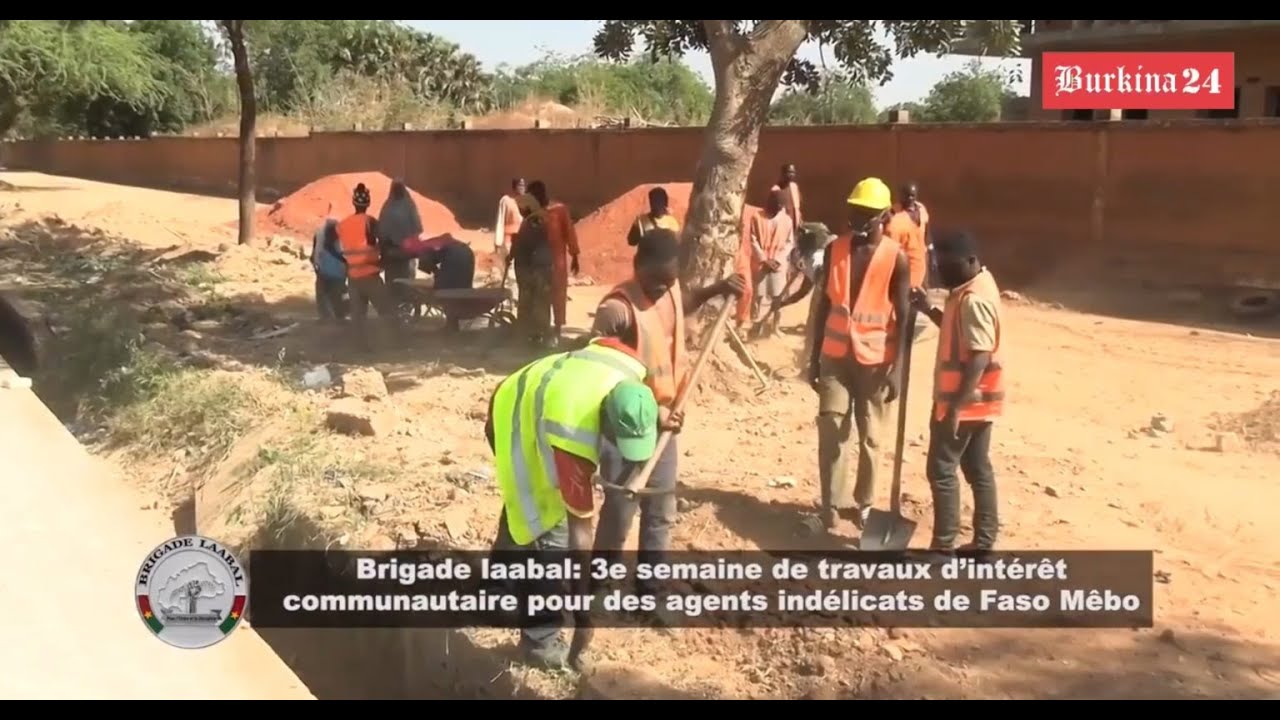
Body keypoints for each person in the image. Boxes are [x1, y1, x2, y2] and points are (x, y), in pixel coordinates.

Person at [485, 337, 660, 670]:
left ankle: (498, 588)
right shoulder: (573, 439)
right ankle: (540, 641)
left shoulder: (632, 370)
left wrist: (659, 417)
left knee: (523, 509)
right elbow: (580, 538)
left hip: (537, 392)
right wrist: (583, 614)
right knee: (550, 534)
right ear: (604, 419)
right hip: (514, 414)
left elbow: (600, 345)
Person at [589, 228, 745, 595]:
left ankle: (650, 588)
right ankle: (598, 584)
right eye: (655, 281)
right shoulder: (616, 310)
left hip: (666, 422)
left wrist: (717, 289)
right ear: (637, 265)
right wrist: (652, 411)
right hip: (625, 427)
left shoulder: (671, 289)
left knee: (660, 508)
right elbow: (597, 374)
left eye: (669, 281)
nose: (662, 289)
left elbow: (679, 306)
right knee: (621, 508)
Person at [807, 177, 910, 533]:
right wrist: (812, 358)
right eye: (854, 210)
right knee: (832, 428)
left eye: (866, 212)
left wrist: (900, 368)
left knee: (871, 437)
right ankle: (831, 504)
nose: (858, 217)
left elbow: (906, 313)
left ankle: (865, 503)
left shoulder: (896, 258)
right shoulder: (836, 248)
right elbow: (824, 305)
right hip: (835, 356)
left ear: (884, 216)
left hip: (877, 361)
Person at [910, 230, 1004, 556]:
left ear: (971, 261)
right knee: (978, 468)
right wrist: (928, 309)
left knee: (941, 469)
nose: (943, 271)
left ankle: (943, 546)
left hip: (963, 401)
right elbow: (960, 333)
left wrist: (955, 408)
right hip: (980, 401)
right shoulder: (970, 289)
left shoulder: (973, 299)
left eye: (950, 265)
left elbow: (980, 354)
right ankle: (984, 542)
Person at [327, 183, 400, 347]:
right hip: (370, 275)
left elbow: (330, 246)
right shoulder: (371, 222)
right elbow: (386, 243)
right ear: (368, 204)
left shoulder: (342, 225)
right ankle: (394, 343)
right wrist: (385, 260)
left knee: (358, 316)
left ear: (354, 203)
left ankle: (359, 347)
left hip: (353, 277)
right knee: (387, 311)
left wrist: (343, 260)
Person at [524, 180, 580, 346]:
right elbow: (526, 238)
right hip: (538, 263)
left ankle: (556, 332)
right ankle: (542, 331)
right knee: (540, 298)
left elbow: (569, 232)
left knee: (558, 296)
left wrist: (575, 255)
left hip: (557, 262)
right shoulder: (532, 214)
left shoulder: (559, 211)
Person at [777, 222, 835, 362]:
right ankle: (809, 359)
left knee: (816, 328)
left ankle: (811, 361)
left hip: (829, 295)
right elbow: (804, 290)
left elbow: (811, 286)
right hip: (828, 294)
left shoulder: (816, 258)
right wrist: (782, 303)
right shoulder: (812, 256)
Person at [747, 189, 795, 338]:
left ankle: (775, 327)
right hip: (761, 265)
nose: (779, 207)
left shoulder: (787, 220)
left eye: (781, 205)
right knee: (759, 297)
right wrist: (764, 259)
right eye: (776, 204)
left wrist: (777, 260)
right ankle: (756, 327)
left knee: (778, 298)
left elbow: (789, 243)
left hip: (778, 267)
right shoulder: (757, 217)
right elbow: (752, 239)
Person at [509, 194, 554, 346]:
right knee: (534, 303)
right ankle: (532, 335)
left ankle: (538, 336)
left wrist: (516, 246)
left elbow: (529, 242)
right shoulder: (534, 220)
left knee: (537, 303)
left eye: (521, 208)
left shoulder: (535, 220)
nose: (520, 211)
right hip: (535, 267)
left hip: (536, 269)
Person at [377, 179, 424, 304]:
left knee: (399, 283)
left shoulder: (387, 207)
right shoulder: (409, 205)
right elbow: (418, 228)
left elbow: (381, 231)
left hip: (396, 253)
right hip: (402, 253)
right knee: (402, 283)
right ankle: (399, 311)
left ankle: (399, 311)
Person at [417, 234, 477, 331]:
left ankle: (451, 324)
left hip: (450, 282)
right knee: (454, 286)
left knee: (447, 290)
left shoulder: (428, 247)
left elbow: (427, 263)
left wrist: (436, 273)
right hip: (465, 280)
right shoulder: (459, 246)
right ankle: (453, 322)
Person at [885, 181, 929, 290]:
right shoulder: (893, 214)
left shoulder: (921, 209)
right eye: (907, 195)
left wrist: (930, 250)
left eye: (913, 195)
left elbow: (926, 230)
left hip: (920, 262)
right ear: (901, 195)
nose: (910, 198)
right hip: (904, 265)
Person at [311, 218, 349, 322]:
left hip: (324, 270)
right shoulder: (340, 235)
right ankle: (339, 316)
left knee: (323, 296)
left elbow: (314, 253)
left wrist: (316, 265)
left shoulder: (320, 233)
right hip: (336, 272)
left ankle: (327, 317)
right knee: (337, 295)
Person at [494, 178, 526, 268]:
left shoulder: (526, 202)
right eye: (520, 185)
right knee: (509, 268)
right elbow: (500, 220)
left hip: (522, 241)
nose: (522, 188)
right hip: (508, 241)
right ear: (514, 187)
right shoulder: (506, 200)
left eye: (523, 185)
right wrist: (498, 241)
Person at [770, 163, 802, 232]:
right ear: (783, 173)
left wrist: (799, 220)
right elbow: (771, 211)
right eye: (789, 172)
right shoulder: (776, 189)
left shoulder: (794, 187)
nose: (792, 174)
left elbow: (798, 207)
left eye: (793, 172)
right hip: (782, 227)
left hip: (795, 225)